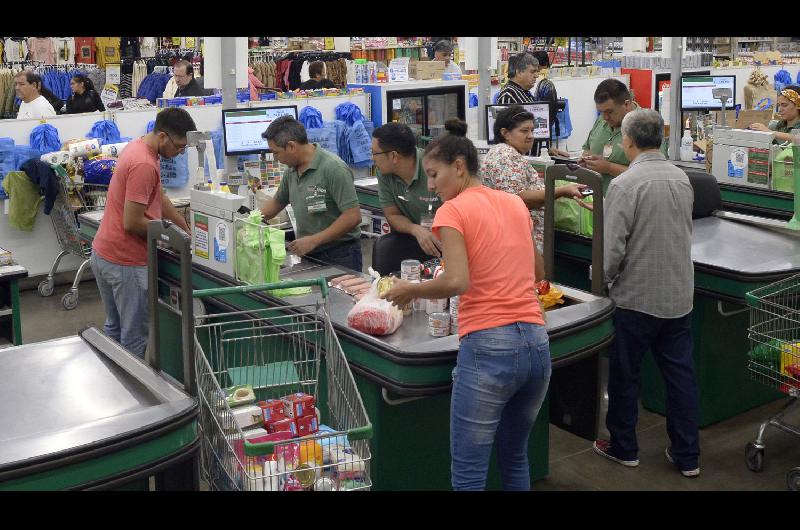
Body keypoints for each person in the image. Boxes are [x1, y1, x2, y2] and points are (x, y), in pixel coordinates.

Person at [383, 119, 551, 491]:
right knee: (515, 456)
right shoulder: (513, 203)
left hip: (490, 348)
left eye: (433, 174)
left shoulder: (452, 211)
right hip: (537, 345)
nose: (430, 186)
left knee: (470, 473)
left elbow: (457, 281)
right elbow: (538, 269)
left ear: (459, 166)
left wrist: (409, 289)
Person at [592, 108, 700, 478]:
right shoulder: (682, 177)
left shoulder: (626, 185)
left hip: (636, 299)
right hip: (678, 296)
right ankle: (688, 456)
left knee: (625, 375)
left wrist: (600, 281)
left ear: (629, 141)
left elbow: (613, 248)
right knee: (680, 377)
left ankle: (624, 448)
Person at [90, 107, 196, 358]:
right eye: (179, 146)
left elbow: (157, 193)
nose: (180, 152)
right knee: (134, 340)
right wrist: (170, 236)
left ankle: (114, 392)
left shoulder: (139, 147)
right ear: (162, 137)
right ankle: (130, 395)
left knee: (114, 330)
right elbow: (132, 222)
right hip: (126, 262)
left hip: (105, 253)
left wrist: (181, 224)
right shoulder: (144, 163)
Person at [259, 116, 363, 271]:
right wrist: (249, 220)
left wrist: (314, 240)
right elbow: (278, 202)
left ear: (291, 146)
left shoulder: (333, 168)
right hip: (309, 252)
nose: (275, 159)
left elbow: (353, 216)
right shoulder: (291, 170)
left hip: (340, 254)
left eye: (276, 153)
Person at [480, 106, 585, 252]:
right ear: (505, 133)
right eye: (524, 131)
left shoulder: (504, 153)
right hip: (517, 243)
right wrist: (561, 191)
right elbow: (518, 198)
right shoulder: (506, 156)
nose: (530, 136)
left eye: (532, 130)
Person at [371, 122, 442, 270]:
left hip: (450, 244)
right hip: (414, 247)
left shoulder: (435, 166)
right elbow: (392, 214)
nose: (372, 159)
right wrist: (416, 229)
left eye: (374, 153)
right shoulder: (384, 173)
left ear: (393, 156)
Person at [550, 79, 638, 191]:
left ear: (626, 104)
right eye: (601, 112)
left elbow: (648, 174)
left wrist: (609, 168)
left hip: (626, 201)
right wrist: (586, 160)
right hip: (596, 199)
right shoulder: (602, 120)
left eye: (609, 112)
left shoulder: (646, 125)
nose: (605, 117)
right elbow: (588, 149)